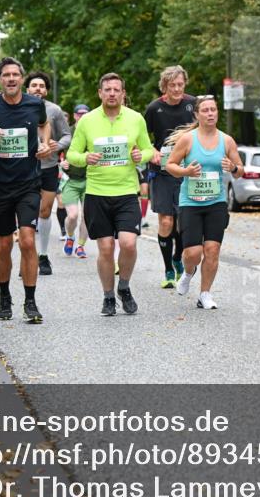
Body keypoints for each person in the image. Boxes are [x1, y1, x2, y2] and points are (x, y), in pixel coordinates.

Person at [0, 57, 52, 323]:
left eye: (15, 74)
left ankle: (31, 301)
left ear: (22, 78)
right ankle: (4, 294)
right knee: (4, 244)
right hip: (0, 185)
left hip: (29, 183)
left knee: (28, 241)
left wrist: (44, 144)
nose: (11, 79)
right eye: (6, 75)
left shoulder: (34, 104)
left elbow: (43, 124)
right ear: (0, 79)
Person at [66, 73, 154, 316]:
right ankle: (108, 297)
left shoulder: (136, 119)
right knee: (105, 249)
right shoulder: (87, 121)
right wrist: (85, 158)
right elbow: (72, 154)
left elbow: (148, 149)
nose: (112, 93)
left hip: (126, 192)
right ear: (100, 93)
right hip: (97, 193)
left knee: (128, 243)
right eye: (108, 89)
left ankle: (123, 287)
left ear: (123, 93)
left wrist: (141, 156)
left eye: (117, 89)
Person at [165, 96, 245, 309]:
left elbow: (240, 171)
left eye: (213, 110)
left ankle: (205, 294)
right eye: (206, 110)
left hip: (216, 202)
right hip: (190, 202)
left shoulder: (226, 141)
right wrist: (186, 171)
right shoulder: (188, 140)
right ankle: (188, 272)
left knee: (212, 249)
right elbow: (170, 165)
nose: (210, 113)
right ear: (197, 115)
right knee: (193, 253)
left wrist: (233, 168)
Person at [144, 65, 197, 288]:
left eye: (180, 84)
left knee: (183, 223)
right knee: (166, 222)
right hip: (163, 172)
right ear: (164, 86)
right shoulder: (154, 108)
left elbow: (205, 131)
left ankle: (177, 257)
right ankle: (168, 269)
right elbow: (141, 137)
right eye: (172, 85)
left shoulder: (193, 104)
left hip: (188, 171)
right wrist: (152, 151)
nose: (177, 89)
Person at [24, 71, 71, 276]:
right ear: (27, 89)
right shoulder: (18, 109)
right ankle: (27, 257)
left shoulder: (54, 110)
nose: (38, 89)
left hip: (48, 167)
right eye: (34, 85)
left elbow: (68, 135)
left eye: (42, 86)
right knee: (27, 212)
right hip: (24, 168)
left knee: (45, 210)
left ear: (46, 90)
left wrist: (56, 146)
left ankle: (43, 256)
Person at [60, 104, 91, 259]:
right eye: (80, 114)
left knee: (86, 216)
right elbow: (55, 152)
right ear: (74, 116)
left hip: (89, 180)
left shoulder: (94, 132)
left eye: (86, 113)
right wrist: (61, 163)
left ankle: (80, 246)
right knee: (72, 215)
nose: (83, 116)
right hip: (70, 180)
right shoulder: (67, 133)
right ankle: (70, 236)